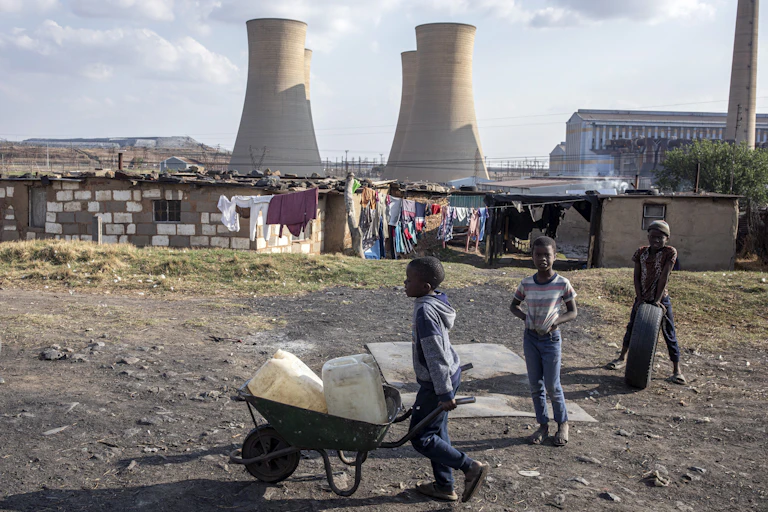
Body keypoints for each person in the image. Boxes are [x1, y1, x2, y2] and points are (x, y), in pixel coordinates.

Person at [404, 256, 489, 502]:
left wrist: (444, 393)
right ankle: (444, 485)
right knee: (438, 432)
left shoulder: (425, 311)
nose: (404, 283)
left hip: (438, 381)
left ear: (425, 287)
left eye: (409, 280)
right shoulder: (434, 300)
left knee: (421, 438)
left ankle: (470, 467)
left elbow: (435, 355)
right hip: (447, 374)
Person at [510, 236, 578, 446]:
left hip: (550, 340)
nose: (542, 259)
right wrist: (526, 319)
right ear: (532, 256)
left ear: (555, 257)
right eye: (537, 255)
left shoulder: (561, 283)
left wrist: (556, 321)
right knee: (535, 385)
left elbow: (572, 312)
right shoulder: (527, 283)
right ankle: (542, 425)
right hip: (531, 338)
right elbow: (514, 306)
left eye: (547, 255)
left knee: (552, 385)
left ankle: (562, 423)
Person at [607, 220, 685, 384]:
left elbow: (664, 276)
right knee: (632, 327)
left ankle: (677, 370)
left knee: (669, 333)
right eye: (653, 236)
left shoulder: (670, 253)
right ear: (648, 236)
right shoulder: (641, 252)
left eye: (660, 238)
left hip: (661, 298)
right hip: (642, 296)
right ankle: (622, 358)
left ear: (667, 239)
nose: (656, 240)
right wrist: (640, 298)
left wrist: (657, 300)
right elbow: (636, 276)